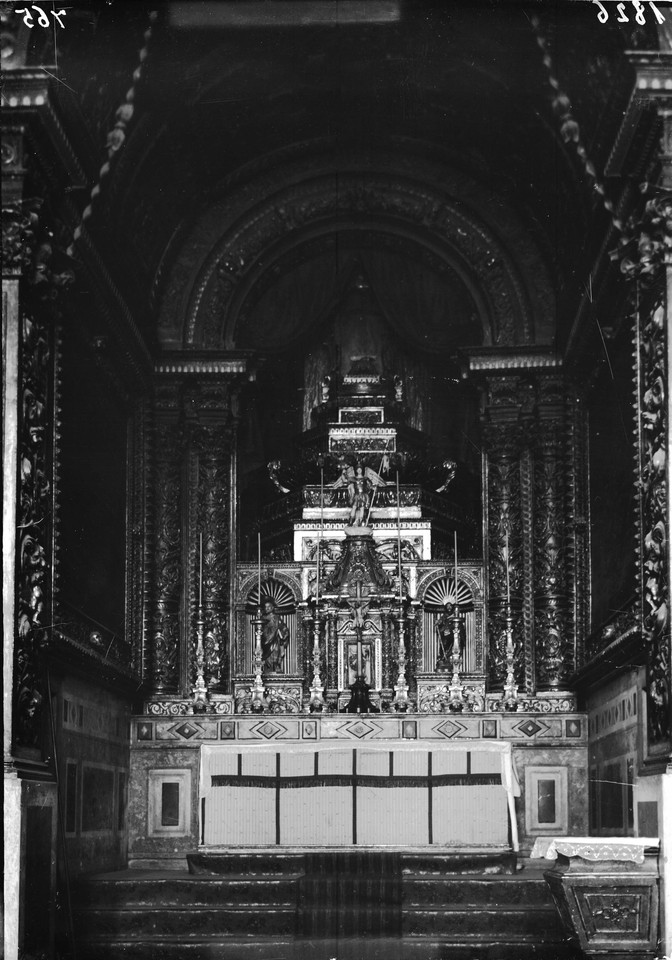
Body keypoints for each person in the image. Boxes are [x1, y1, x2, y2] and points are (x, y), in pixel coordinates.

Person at [260, 599, 290, 673]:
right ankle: (268, 668)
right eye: (265, 607)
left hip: (275, 640)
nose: (266, 608)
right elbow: (259, 630)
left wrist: (281, 631)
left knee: (275, 653)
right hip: (265, 641)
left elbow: (283, 628)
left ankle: (276, 666)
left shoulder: (277, 618)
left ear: (272, 607)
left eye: (268, 607)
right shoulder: (262, 618)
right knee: (267, 657)